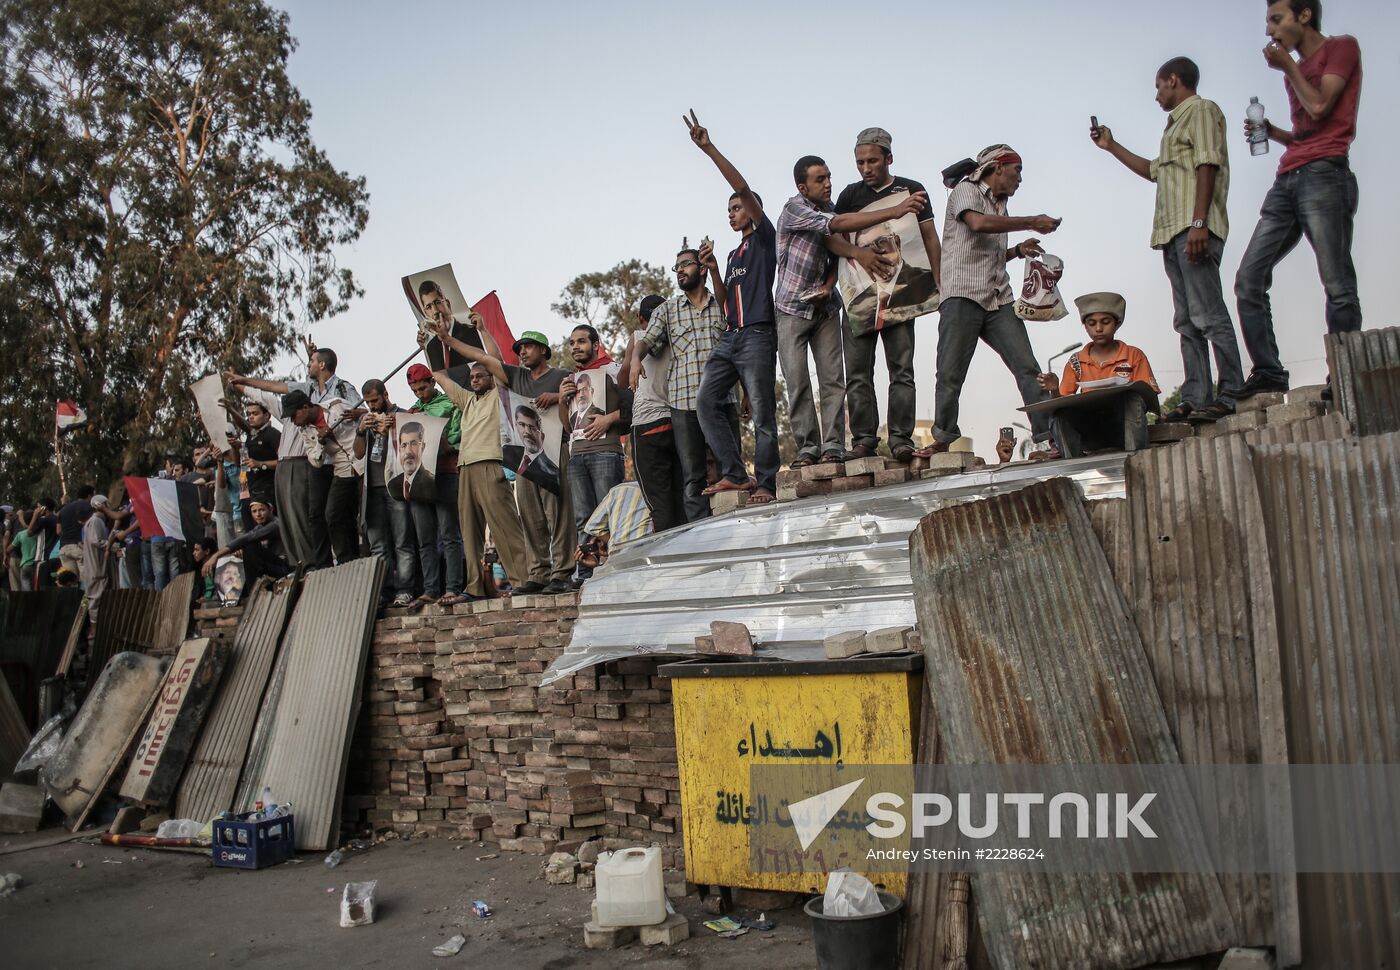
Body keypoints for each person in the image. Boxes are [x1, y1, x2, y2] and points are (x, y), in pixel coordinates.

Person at [1091, 57, 1243, 425]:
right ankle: (1195, 397)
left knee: (1208, 313)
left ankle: (1231, 392)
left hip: (1193, 228)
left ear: (1173, 81)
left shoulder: (1201, 111)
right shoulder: (1172, 128)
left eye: (1159, 87)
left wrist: (1199, 222)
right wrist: (1112, 146)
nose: (1157, 95)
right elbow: (1152, 171)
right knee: (1187, 320)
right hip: (1172, 232)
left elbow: (1208, 163)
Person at [1234, 0, 1363, 398]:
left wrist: (1288, 66)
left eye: (1277, 20)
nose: (1270, 32)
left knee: (1337, 282)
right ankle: (1269, 371)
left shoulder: (1341, 47)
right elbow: (1306, 133)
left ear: (1304, 15)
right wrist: (1273, 132)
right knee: (1249, 279)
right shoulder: (1294, 71)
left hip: (1326, 175)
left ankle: (1344, 375)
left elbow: (1322, 107)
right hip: (1289, 177)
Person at [778, 156, 927, 466]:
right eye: (820, 179)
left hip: (827, 307)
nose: (828, 183)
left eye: (829, 176)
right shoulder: (796, 209)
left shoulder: (835, 207)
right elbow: (835, 228)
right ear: (803, 187)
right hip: (792, 307)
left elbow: (835, 250)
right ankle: (809, 448)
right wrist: (896, 211)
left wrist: (829, 284)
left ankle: (833, 446)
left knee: (835, 379)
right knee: (799, 380)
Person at [921, 145, 1061, 457]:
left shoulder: (1001, 206)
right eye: (1017, 170)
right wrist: (1032, 221)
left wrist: (1017, 250)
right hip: (962, 294)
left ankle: (1049, 436)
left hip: (998, 297)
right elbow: (978, 225)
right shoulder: (966, 190)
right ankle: (942, 437)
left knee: (1027, 366)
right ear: (998, 167)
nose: (1020, 178)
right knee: (950, 371)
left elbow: (989, 252)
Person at [422, 320, 574, 595]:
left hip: (553, 446)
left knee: (558, 514)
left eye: (528, 347)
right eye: (521, 348)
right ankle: (538, 573)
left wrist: (556, 396)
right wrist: (447, 340)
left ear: (543, 350)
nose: (523, 351)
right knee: (530, 515)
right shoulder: (517, 378)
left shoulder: (561, 374)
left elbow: (573, 403)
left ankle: (562, 572)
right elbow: (483, 358)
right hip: (525, 453)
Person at [678, 111, 780, 506]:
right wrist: (714, 269)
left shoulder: (764, 239)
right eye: (729, 209)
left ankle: (767, 482)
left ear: (752, 209)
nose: (731, 212)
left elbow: (742, 184)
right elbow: (723, 303)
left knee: (763, 413)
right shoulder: (735, 252)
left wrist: (709, 148)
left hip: (757, 333)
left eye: (736, 207)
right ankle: (735, 474)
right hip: (731, 336)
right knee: (706, 400)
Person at [834, 127, 943, 463]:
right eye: (860, 162)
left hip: (902, 294)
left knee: (902, 369)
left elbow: (930, 239)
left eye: (872, 161)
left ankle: (900, 440)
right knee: (857, 372)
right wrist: (864, 255)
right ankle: (864, 440)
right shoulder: (850, 195)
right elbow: (833, 234)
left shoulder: (911, 189)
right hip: (860, 296)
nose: (866, 168)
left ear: (888, 159)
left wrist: (942, 287)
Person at [632, 246, 733, 523]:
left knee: (729, 471)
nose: (680, 271)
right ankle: (697, 537)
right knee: (692, 477)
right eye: (676, 267)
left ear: (701, 268)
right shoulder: (667, 309)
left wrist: (715, 270)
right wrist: (634, 360)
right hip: (684, 404)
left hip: (722, 401)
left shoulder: (720, 304)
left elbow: (735, 334)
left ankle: (731, 530)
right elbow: (647, 340)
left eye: (686, 264)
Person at [428, 355, 531, 602]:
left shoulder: (499, 396)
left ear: (491, 378)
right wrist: (429, 346)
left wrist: (482, 332)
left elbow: (495, 360)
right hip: (465, 468)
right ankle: (474, 587)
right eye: (471, 377)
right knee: (470, 531)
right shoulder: (467, 401)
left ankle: (524, 580)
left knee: (505, 525)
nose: (474, 380)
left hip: (490, 464)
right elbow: (440, 377)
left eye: (479, 376)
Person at [1036, 293, 1161, 454]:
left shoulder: (1134, 355)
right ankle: (1072, 465)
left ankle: (1136, 457)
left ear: (1117, 324)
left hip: (1123, 429)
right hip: (1090, 432)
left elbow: (1147, 397)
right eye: (1092, 323)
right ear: (1086, 326)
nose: (1099, 329)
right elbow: (1062, 403)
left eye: (1105, 322)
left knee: (1133, 399)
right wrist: (1054, 389)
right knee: (1059, 414)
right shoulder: (1076, 361)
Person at [227, 370, 320, 568]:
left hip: (300, 463)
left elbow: (269, 392)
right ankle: (297, 563)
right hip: (284, 468)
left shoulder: (316, 412)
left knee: (299, 518)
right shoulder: (287, 414)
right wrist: (240, 385)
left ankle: (309, 562)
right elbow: (264, 396)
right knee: (287, 519)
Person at [560, 324, 624, 587]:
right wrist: (563, 401)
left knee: (610, 516)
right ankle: (586, 574)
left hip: (606, 453)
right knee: (583, 519)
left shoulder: (613, 369)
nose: (576, 346)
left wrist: (608, 419)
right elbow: (566, 427)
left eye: (582, 341)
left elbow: (636, 406)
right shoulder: (572, 380)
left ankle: (616, 571)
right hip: (577, 455)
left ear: (596, 344)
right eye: (572, 342)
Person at [405, 361, 468, 606]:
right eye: (415, 390)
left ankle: (452, 587)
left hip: (444, 472)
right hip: (419, 477)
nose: (420, 394)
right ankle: (430, 588)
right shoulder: (412, 411)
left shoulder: (449, 404)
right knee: (425, 537)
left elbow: (456, 436)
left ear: (433, 382)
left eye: (423, 388)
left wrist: (440, 440)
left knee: (450, 533)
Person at [355, 379, 419, 608]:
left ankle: (405, 589)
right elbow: (359, 453)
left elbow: (415, 448)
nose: (372, 406)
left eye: (375, 400)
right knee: (378, 545)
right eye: (368, 402)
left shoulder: (401, 415)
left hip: (396, 487)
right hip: (372, 489)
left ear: (385, 394)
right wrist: (361, 431)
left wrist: (396, 427)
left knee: (402, 541)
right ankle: (382, 591)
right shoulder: (366, 419)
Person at [279, 388, 360, 566]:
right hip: (341, 470)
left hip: (362, 464)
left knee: (361, 516)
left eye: (294, 415)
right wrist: (321, 442)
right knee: (331, 515)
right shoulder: (305, 431)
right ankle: (346, 561)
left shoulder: (337, 406)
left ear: (306, 407)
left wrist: (359, 413)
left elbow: (364, 417)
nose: (293, 421)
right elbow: (315, 461)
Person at [624, 296, 685, 532]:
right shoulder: (678, 340)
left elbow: (622, 380)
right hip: (677, 423)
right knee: (680, 496)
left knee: (658, 503)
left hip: (647, 425)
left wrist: (633, 360)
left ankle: (666, 561)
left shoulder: (638, 338)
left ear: (641, 318)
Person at [203, 498, 291, 584]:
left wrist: (215, 556)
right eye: (254, 511)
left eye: (261, 510)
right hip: (273, 566)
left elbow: (247, 538)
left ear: (270, 509)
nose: (258, 514)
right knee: (243, 549)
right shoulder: (260, 526)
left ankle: (252, 589)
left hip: (284, 568)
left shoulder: (275, 525)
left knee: (249, 544)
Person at [56, 485, 95, 578]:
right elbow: (89, 523)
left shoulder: (63, 510)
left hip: (64, 548)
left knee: (70, 581)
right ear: (89, 496)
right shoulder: (86, 505)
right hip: (79, 546)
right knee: (87, 579)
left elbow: (58, 531)